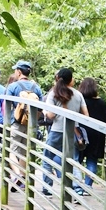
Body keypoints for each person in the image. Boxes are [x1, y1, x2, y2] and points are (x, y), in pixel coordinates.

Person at [40, 67, 88, 196]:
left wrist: (49, 111)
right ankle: (78, 189)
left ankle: (47, 188)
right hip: (73, 131)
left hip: (57, 130)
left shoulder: (54, 93)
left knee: (47, 158)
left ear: (58, 78)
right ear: (70, 79)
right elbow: (86, 115)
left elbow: (50, 116)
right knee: (73, 160)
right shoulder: (78, 94)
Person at [5, 60, 43, 191]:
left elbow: (7, 106)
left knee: (10, 150)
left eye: (16, 70)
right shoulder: (36, 87)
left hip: (16, 123)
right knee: (24, 151)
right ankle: (22, 175)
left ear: (19, 72)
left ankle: (16, 176)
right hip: (31, 125)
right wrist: (33, 121)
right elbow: (41, 109)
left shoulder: (13, 87)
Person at [75, 77, 106, 195]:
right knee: (92, 161)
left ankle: (77, 186)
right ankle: (87, 187)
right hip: (97, 136)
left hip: (81, 134)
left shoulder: (80, 101)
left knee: (77, 161)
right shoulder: (102, 103)